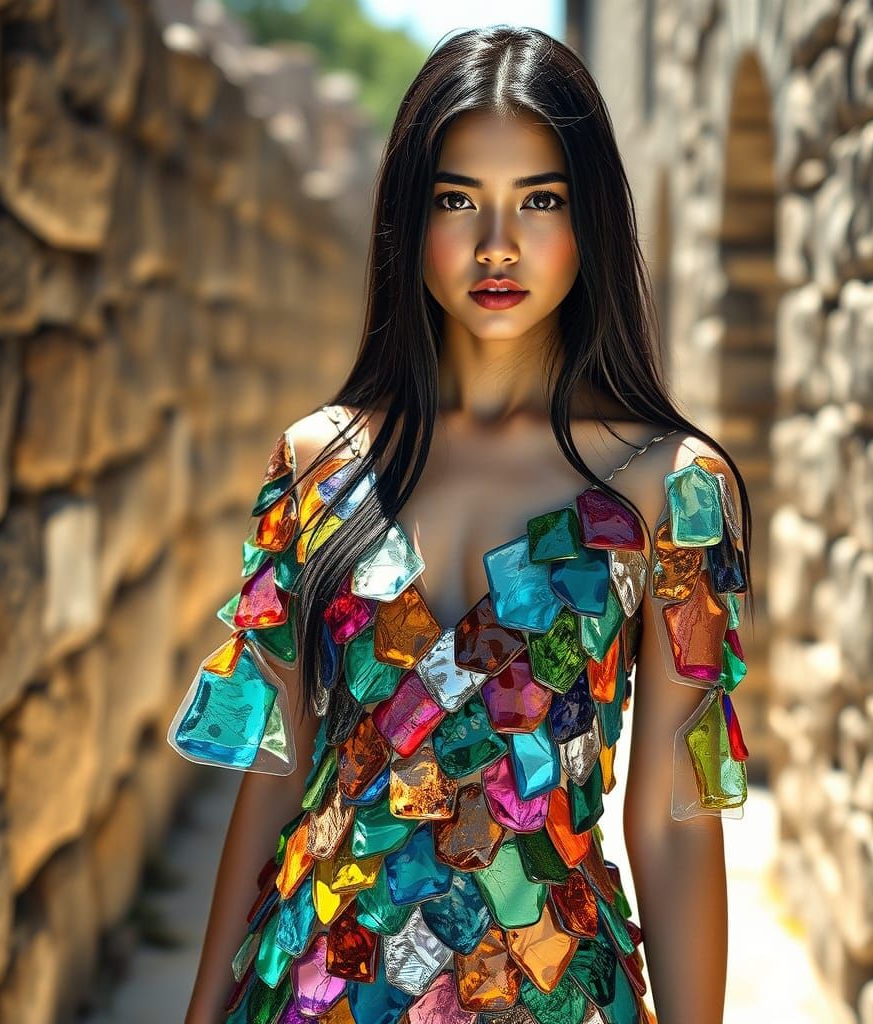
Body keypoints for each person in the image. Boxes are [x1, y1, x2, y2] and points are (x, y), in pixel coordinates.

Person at [172, 24, 753, 1024]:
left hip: (553, 991)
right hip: (319, 988)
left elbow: (674, 824)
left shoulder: (672, 486)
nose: (498, 242)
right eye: (457, 200)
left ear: (591, 222)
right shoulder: (316, 459)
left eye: (540, 199)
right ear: (410, 219)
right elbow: (273, 778)